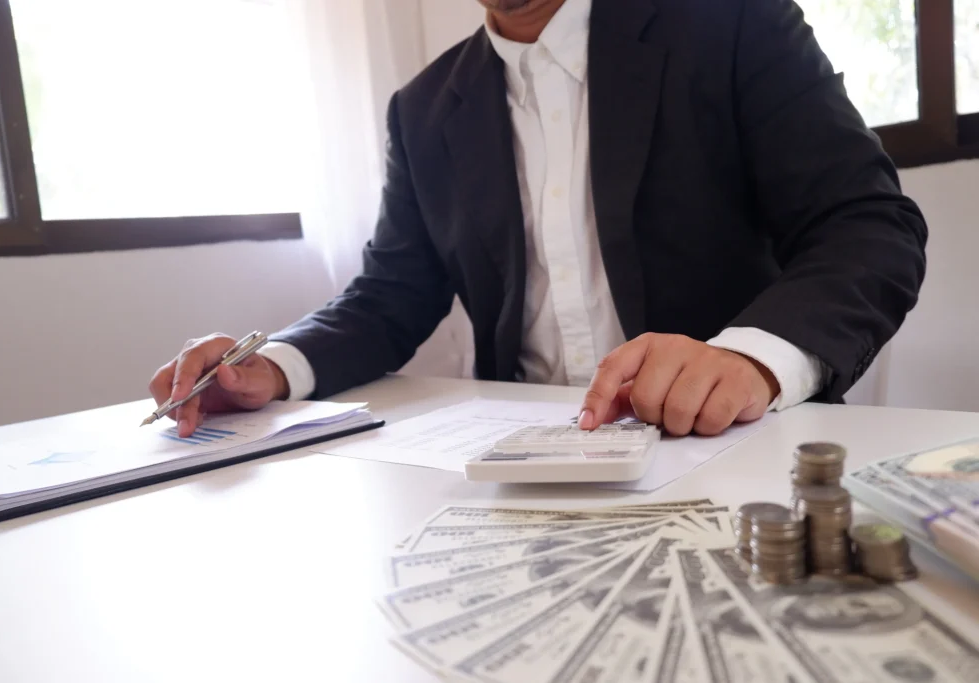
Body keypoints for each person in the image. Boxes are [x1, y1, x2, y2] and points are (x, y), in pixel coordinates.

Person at [150, 0, 927, 439]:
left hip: (732, 441)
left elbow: (866, 224)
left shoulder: (731, 23)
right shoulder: (422, 110)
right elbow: (389, 296)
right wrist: (276, 365)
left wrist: (750, 358)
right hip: (515, 465)